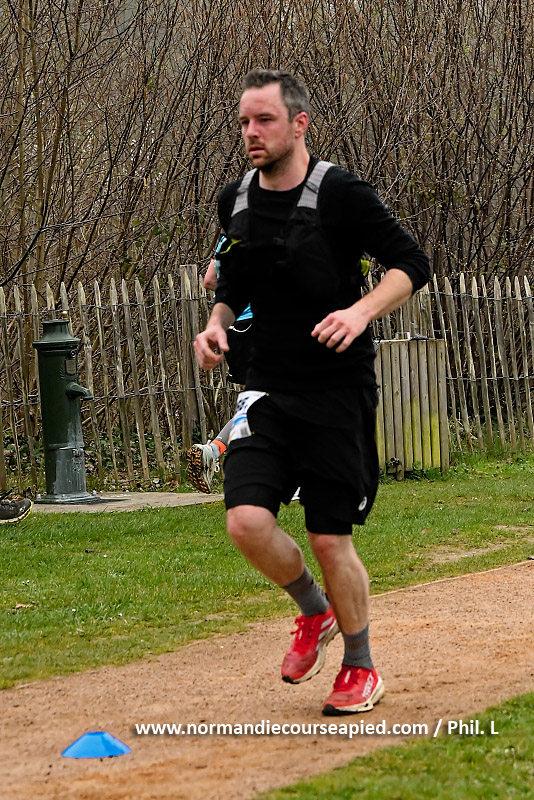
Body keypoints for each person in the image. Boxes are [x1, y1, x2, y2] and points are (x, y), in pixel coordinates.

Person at [194, 69, 431, 715]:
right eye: (244, 121)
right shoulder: (235, 200)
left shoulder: (342, 193)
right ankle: (313, 610)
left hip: (336, 390)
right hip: (266, 391)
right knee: (246, 521)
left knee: (330, 538)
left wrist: (360, 312)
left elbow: (412, 263)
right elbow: (231, 285)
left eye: (264, 120)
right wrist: (216, 325)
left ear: (299, 124)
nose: (251, 132)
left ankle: (361, 665)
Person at [187, 236, 253, 493]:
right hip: (262, 326)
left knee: (258, 398)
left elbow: (209, 281)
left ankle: (213, 451)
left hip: (233, 329)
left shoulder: (227, 239)